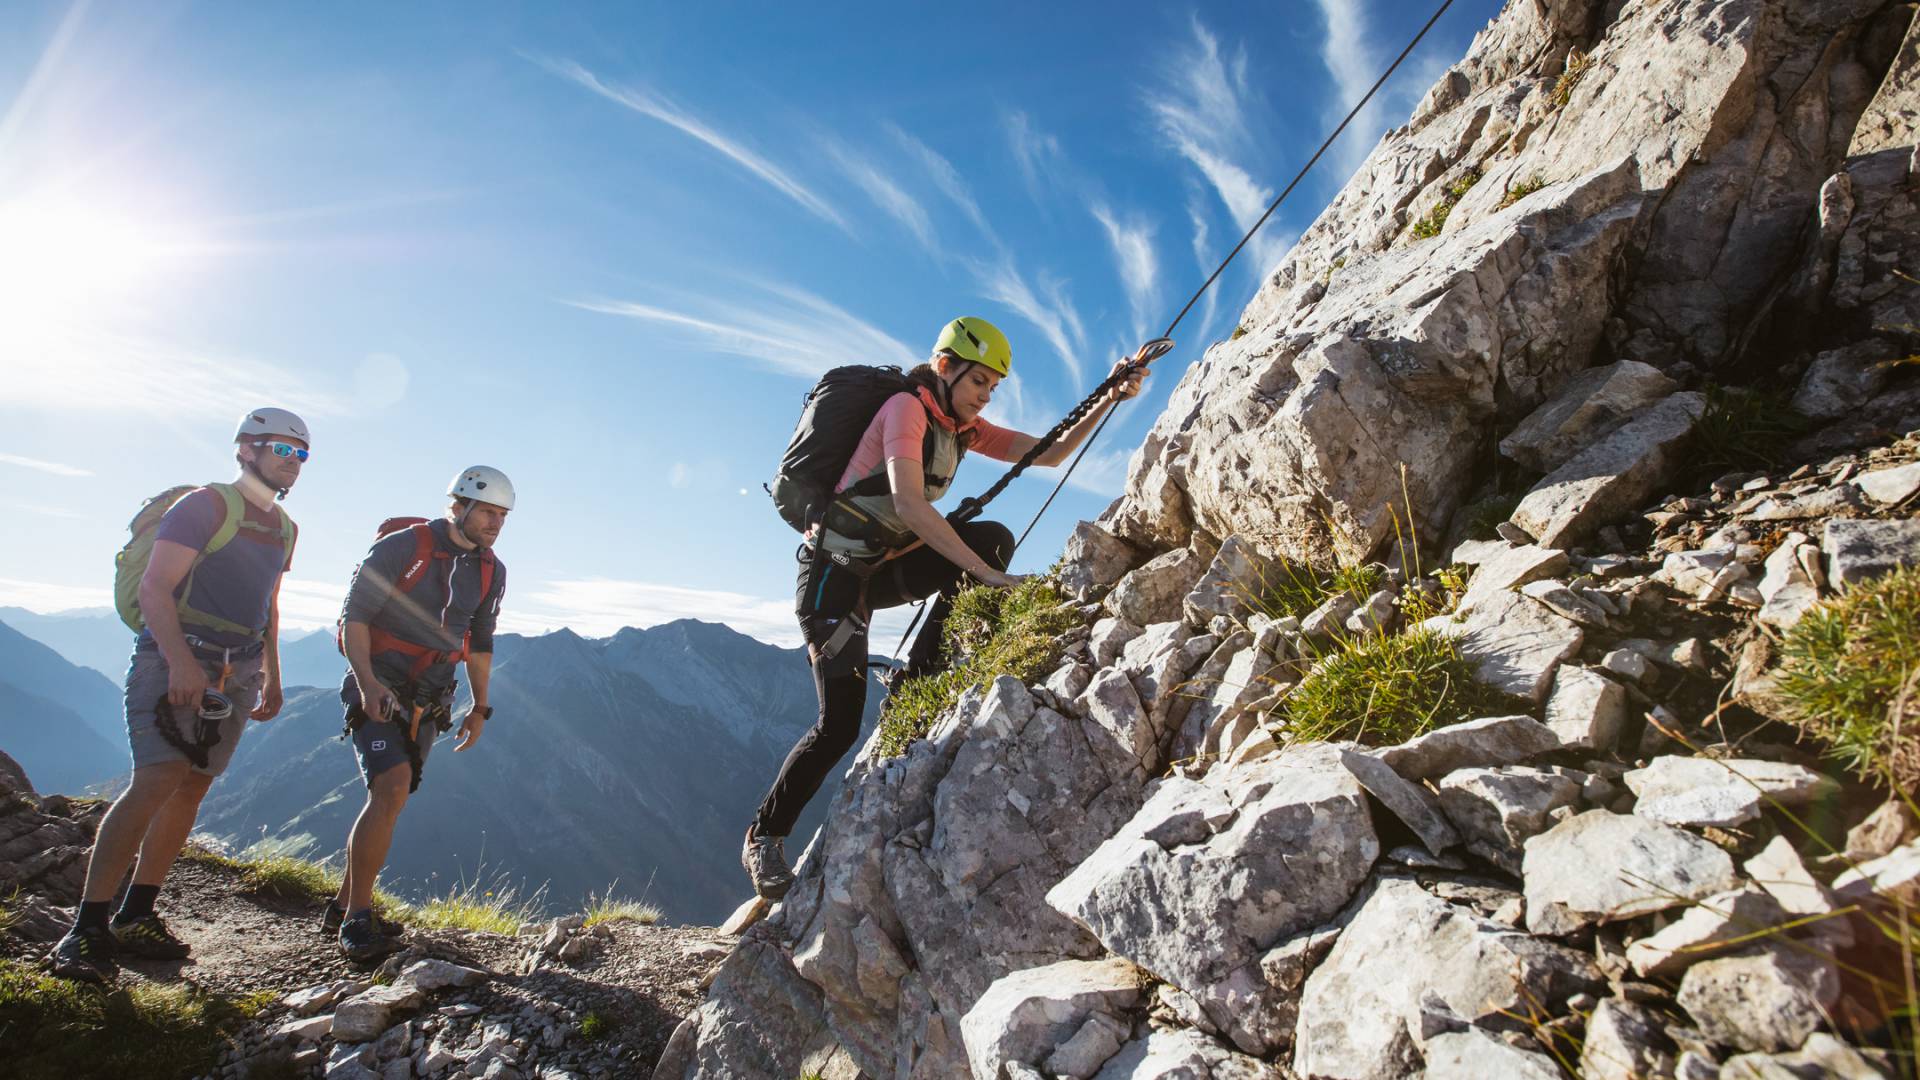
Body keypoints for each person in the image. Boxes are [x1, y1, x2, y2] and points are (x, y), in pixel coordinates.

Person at [742, 317, 1151, 900]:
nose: (986, 395)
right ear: (944, 367)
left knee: (992, 537)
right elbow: (910, 504)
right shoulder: (906, 410)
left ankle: (915, 681)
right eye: (979, 381)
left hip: (879, 567)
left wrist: (1109, 395)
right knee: (838, 727)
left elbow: (1051, 453)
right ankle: (764, 835)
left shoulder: (960, 427)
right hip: (833, 576)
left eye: (993, 386)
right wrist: (986, 576)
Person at [50, 408, 308, 983]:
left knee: (192, 786)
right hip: (176, 657)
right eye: (281, 449)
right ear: (246, 449)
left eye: (300, 454)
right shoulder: (205, 506)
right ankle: (85, 927)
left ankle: (137, 913)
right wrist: (181, 662)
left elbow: (268, 603)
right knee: (157, 779)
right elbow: (155, 587)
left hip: (238, 670)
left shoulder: (284, 528)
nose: (292, 462)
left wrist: (272, 673)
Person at [326, 467, 510, 961]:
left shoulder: (491, 571)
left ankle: (341, 905)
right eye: (487, 512)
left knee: (394, 796)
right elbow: (355, 617)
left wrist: (480, 707)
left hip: (431, 697)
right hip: (379, 685)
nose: (495, 523)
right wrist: (367, 683)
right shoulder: (403, 547)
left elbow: (480, 642)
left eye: (502, 515)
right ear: (459, 507)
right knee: (391, 787)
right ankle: (357, 919)